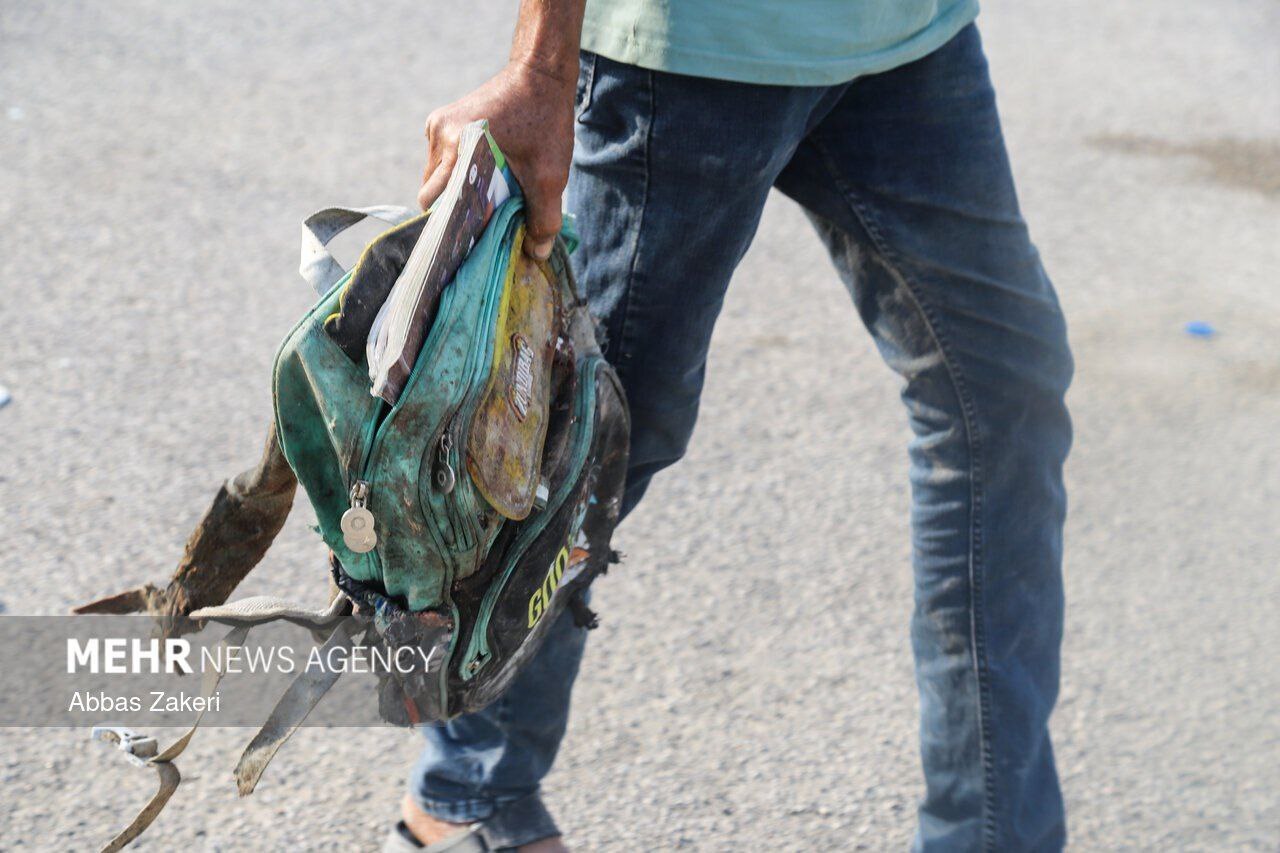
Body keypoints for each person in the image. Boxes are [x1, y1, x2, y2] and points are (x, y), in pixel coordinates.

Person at [392, 0, 1074, 850]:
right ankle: (465, 798)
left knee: (1002, 399)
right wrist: (540, 66)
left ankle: (993, 835)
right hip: (698, 52)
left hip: (907, 35)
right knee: (587, 442)